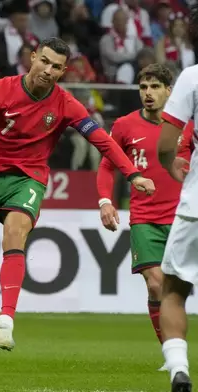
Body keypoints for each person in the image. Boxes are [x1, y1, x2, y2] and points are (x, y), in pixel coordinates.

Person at [0, 36, 156, 382]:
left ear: (63, 71)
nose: (48, 70)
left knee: (15, 231)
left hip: (28, 179)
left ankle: (5, 319)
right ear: (32, 58)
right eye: (44, 62)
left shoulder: (66, 104)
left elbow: (102, 140)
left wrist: (132, 174)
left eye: (57, 67)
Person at [96, 63, 193, 350]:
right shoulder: (125, 126)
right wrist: (105, 201)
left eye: (154, 87)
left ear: (169, 91)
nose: (147, 93)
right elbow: (106, 166)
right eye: (143, 87)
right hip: (145, 219)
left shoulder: (187, 126)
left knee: (179, 289)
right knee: (155, 285)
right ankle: (171, 351)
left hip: (184, 217)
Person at [156, 7, 198, 390]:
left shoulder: (192, 77)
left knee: (173, 290)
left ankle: (179, 369)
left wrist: (171, 165)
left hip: (196, 207)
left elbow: (166, 143)